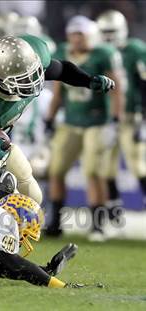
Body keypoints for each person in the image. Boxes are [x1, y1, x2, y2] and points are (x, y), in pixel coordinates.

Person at [0, 30, 115, 205]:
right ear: (1, 79)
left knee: (34, 198)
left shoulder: (32, 58)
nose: (33, 81)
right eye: (23, 79)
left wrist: (88, 81)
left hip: (1, 143)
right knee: (7, 205)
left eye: (34, 72)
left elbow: (62, 70)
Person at [44, 16, 124, 240]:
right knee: (56, 170)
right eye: (73, 34)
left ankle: (97, 225)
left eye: (81, 34)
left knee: (92, 171)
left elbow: (117, 88)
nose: (76, 38)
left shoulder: (103, 54)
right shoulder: (64, 52)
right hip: (70, 121)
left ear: (91, 35)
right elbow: (59, 90)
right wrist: (50, 117)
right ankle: (56, 223)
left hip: (97, 122)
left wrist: (116, 119)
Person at [96, 10, 146, 212]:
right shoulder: (99, 52)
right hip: (107, 117)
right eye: (105, 31)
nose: (108, 36)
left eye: (112, 31)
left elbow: (144, 85)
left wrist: (143, 119)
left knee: (138, 164)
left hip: (130, 115)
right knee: (106, 166)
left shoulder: (134, 49)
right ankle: (114, 206)